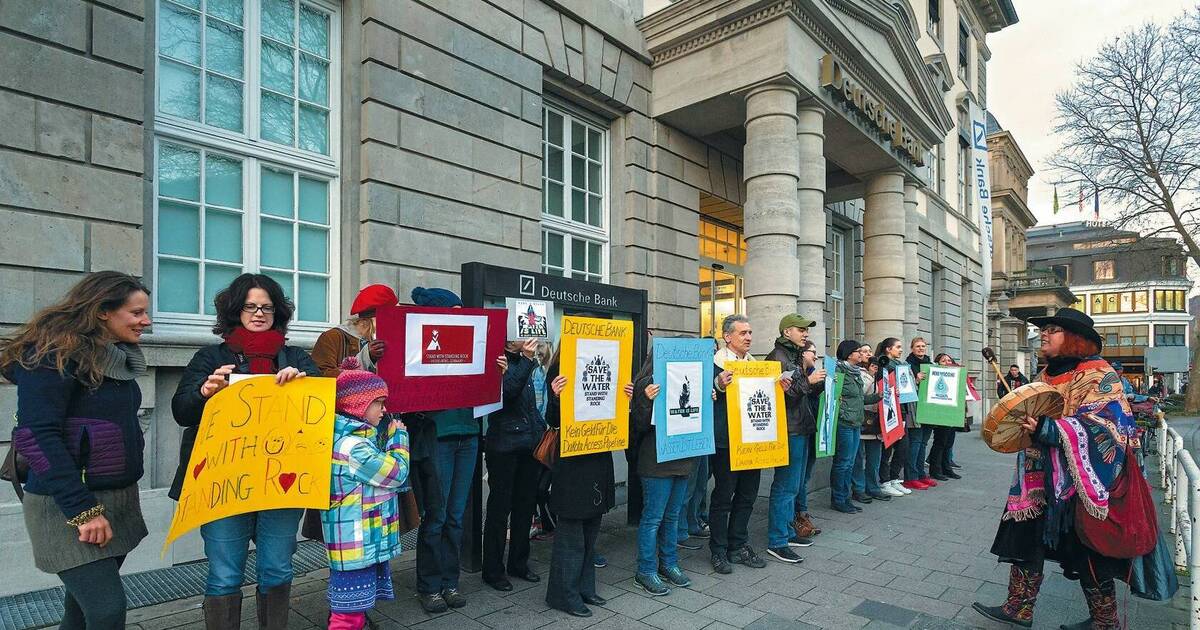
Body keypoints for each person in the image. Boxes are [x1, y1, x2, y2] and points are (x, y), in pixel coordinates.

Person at [973, 308, 1165, 629]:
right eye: (1043, 329)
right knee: (1023, 539)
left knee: (1087, 553)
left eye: (1053, 329)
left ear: (1076, 339)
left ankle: (1105, 623)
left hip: (1079, 483)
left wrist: (1048, 429)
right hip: (1035, 478)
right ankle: (1018, 607)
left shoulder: (1098, 373)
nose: (1043, 334)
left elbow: (1107, 425)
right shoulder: (1045, 374)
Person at [2, 272, 152, 630]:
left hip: (117, 500)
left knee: (81, 610)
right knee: (106, 610)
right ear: (102, 311)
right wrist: (83, 511)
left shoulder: (117, 358)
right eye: (136, 313)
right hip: (68, 505)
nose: (146, 321)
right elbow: (36, 437)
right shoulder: (52, 356)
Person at [170, 273, 318, 629]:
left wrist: (304, 385)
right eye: (250, 306)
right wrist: (205, 391)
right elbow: (181, 411)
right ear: (235, 310)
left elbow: (321, 412)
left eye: (267, 307)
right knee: (223, 573)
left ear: (277, 313)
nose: (258, 313)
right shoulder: (210, 357)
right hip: (224, 482)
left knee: (278, 567)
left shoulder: (296, 357)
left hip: (281, 486)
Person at [407, 287, 498, 612]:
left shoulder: (471, 343)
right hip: (439, 438)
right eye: (455, 310)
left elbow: (487, 392)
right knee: (437, 515)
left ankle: (449, 582)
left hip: (468, 436)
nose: (461, 315)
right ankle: (429, 586)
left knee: (455, 516)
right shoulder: (422, 342)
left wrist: (496, 369)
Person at [322, 359, 410, 630]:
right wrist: (399, 439)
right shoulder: (354, 447)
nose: (384, 410)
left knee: (354, 608)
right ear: (357, 405)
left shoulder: (352, 439)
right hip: (355, 543)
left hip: (357, 541)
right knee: (348, 613)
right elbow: (396, 472)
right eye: (378, 403)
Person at [543, 351, 625, 617]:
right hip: (573, 464)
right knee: (571, 535)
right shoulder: (560, 372)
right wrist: (555, 397)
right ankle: (563, 595)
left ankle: (585, 588)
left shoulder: (607, 369)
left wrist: (625, 396)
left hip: (597, 459)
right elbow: (553, 421)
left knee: (591, 529)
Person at [708, 314, 791, 573]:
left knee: (747, 496)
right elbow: (702, 395)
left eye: (750, 333)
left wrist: (780, 387)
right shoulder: (714, 364)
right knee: (724, 496)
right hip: (727, 442)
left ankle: (738, 545)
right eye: (743, 333)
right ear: (727, 337)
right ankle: (718, 550)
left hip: (754, 441)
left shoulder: (757, 366)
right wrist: (717, 385)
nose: (748, 337)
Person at [630, 343, 697, 593]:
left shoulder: (691, 379)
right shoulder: (646, 382)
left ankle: (668, 564)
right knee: (653, 518)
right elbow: (637, 425)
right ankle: (645, 570)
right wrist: (646, 400)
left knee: (672, 515)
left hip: (681, 458)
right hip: (656, 461)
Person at [482, 336, 544, 591]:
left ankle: (519, 562)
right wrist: (527, 360)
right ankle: (493, 570)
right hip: (504, 445)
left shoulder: (526, 362)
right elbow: (505, 393)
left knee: (525, 505)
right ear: (508, 342)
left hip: (529, 443)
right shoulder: (499, 361)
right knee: (500, 508)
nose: (529, 337)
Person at [764, 315, 824, 564]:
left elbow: (805, 392)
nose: (806, 334)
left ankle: (788, 532)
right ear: (787, 331)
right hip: (789, 429)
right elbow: (783, 395)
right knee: (785, 485)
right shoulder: (778, 357)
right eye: (801, 330)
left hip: (800, 427)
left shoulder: (795, 356)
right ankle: (778, 540)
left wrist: (815, 379)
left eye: (806, 330)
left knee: (794, 484)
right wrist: (808, 381)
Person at [829, 340, 878, 514]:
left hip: (856, 422)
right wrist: (842, 413)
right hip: (844, 423)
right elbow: (833, 396)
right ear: (850, 354)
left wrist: (879, 396)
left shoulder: (856, 372)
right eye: (858, 351)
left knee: (850, 463)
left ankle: (846, 497)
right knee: (843, 463)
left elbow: (859, 398)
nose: (862, 354)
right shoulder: (838, 371)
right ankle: (838, 499)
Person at [310, 284, 396, 377]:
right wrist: (367, 356)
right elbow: (323, 375)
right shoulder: (332, 337)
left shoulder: (388, 339)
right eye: (387, 319)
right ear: (367, 321)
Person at [790, 342, 824, 538]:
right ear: (802, 354)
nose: (816, 357)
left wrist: (821, 384)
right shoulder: (796, 372)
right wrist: (810, 382)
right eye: (813, 353)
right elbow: (794, 397)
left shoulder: (812, 372)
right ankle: (798, 517)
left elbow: (813, 398)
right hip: (797, 430)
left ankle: (802, 514)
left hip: (810, 429)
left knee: (805, 476)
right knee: (796, 480)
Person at [853, 349, 892, 503]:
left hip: (877, 424)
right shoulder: (860, 373)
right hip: (863, 422)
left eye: (870, 352)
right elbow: (859, 395)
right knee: (859, 459)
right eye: (865, 352)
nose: (868, 354)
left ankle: (873, 487)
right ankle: (859, 489)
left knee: (874, 460)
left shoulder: (881, 374)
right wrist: (870, 375)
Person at [876, 338, 913, 496]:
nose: (900, 350)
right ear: (888, 349)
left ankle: (894, 478)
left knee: (903, 447)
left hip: (901, 409)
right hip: (889, 410)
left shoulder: (901, 365)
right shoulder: (883, 364)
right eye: (897, 347)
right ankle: (884, 481)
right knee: (888, 448)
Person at [905, 338, 935, 489]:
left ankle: (921, 474)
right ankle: (911, 476)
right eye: (917, 346)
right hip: (914, 408)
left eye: (923, 346)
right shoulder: (907, 364)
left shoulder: (930, 364)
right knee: (915, 443)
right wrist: (916, 380)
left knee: (923, 443)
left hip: (929, 408)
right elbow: (905, 388)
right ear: (912, 348)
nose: (921, 348)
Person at [925, 353, 961, 481]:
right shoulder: (935, 374)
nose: (946, 362)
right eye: (943, 360)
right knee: (940, 442)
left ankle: (947, 468)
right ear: (938, 362)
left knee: (949, 442)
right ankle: (935, 469)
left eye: (949, 360)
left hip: (952, 413)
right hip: (940, 413)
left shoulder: (956, 375)